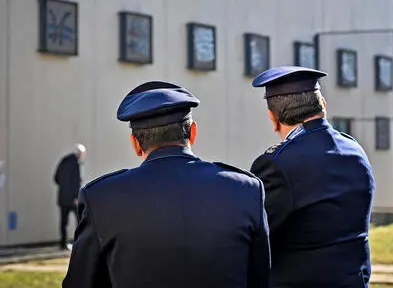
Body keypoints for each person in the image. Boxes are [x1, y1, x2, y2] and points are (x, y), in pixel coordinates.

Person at [63, 81, 270, 288]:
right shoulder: (246, 189)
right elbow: (261, 279)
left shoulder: (101, 197)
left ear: (135, 143)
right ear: (193, 132)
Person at [250, 66, 375, 288]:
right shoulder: (354, 149)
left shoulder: (276, 163)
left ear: (273, 117)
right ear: (323, 105)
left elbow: (258, 237)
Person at [54, 143, 86, 250]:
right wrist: (76, 196)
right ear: (80, 153)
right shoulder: (75, 164)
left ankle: (62, 243)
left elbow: (56, 178)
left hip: (62, 197)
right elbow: (75, 182)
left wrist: (64, 188)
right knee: (80, 221)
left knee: (63, 222)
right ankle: (80, 243)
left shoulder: (63, 161)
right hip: (73, 199)